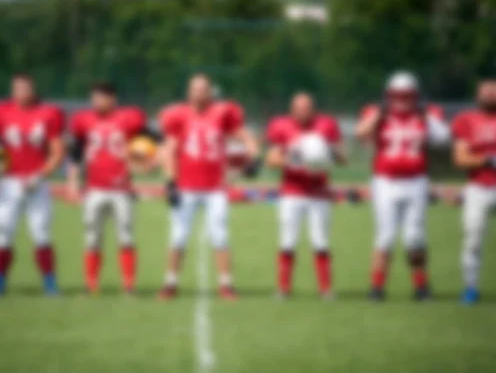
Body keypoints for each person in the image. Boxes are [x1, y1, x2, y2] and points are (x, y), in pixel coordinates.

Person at [157, 74, 259, 300]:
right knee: (178, 236)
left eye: (203, 89)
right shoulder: (178, 115)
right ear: (188, 92)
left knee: (220, 236)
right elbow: (169, 150)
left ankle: (226, 284)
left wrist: (252, 153)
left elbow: (244, 135)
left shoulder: (222, 112)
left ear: (211, 91)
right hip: (186, 185)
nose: (199, 93)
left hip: (215, 188)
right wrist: (170, 182)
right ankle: (170, 283)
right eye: (195, 89)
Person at [355, 71, 450, 301]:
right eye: (397, 95)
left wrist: (427, 115)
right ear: (388, 95)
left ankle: (421, 285)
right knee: (385, 236)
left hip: (416, 180)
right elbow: (361, 133)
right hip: (385, 181)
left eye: (407, 95)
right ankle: (377, 287)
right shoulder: (376, 113)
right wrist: (379, 114)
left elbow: (444, 137)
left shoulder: (427, 114)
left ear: (416, 95)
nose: (402, 100)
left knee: (415, 237)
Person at [0, 74, 65, 296]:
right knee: (3, 233)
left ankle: (50, 283)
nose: (21, 93)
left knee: (41, 233)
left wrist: (41, 176)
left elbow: (57, 150)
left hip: (36, 181)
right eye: (17, 88)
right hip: (8, 182)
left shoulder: (49, 113)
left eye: (25, 88)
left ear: (33, 90)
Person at [67, 82, 153, 295]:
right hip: (94, 188)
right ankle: (91, 285)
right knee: (92, 238)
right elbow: (76, 152)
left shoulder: (129, 118)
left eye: (101, 97)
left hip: (121, 188)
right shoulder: (84, 120)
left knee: (126, 236)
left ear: (112, 99)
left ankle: (129, 285)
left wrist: (145, 163)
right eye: (94, 97)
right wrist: (72, 181)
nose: (96, 101)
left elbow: (152, 141)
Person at [266, 92, 346, 299]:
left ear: (314, 109)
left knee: (321, 241)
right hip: (291, 191)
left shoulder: (326, 125)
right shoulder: (281, 125)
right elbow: (271, 160)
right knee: (287, 240)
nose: (303, 112)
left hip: (319, 191)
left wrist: (325, 154)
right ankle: (283, 289)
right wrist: (294, 159)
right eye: (298, 108)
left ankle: (326, 289)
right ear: (291, 110)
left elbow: (343, 158)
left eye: (307, 107)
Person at [451, 80, 496, 305]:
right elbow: (460, 158)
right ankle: (470, 287)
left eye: (493, 92)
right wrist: (487, 160)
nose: (489, 96)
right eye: (485, 92)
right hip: (478, 186)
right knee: (473, 239)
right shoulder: (467, 120)